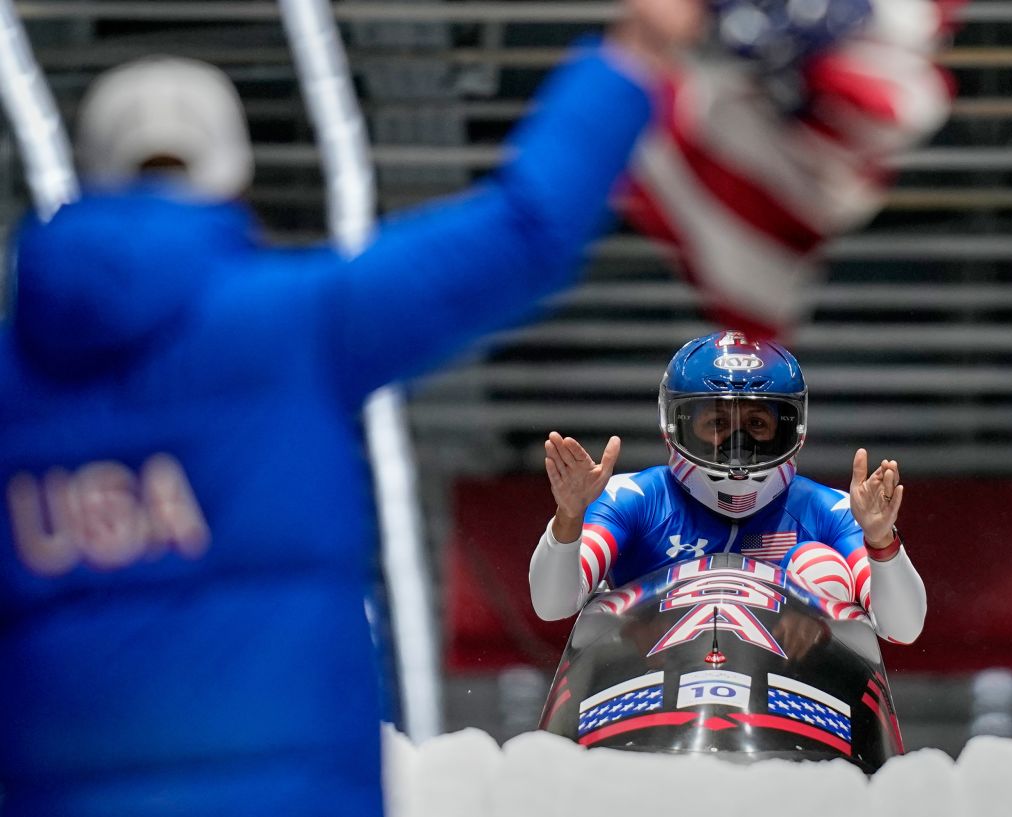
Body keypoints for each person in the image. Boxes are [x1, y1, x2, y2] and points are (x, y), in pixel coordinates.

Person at [0, 3, 705, 815]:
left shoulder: (17, 393)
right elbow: (524, 230)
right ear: (231, 172)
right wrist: (633, 57)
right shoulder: (295, 322)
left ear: (91, 172)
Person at [530, 330, 926, 645]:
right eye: (717, 424)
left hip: (792, 713)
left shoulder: (835, 511)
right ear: (675, 425)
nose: (738, 446)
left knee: (819, 567)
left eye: (757, 425)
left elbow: (902, 629)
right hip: (650, 705)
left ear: (792, 429)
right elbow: (553, 606)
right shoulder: (630, 497)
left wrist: (880, 540)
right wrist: (569, 518)